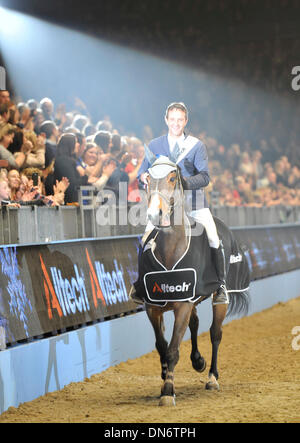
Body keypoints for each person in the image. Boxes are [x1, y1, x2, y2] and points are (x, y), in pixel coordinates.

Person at [132, 102, 229, 304]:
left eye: (180, 119)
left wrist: (185, 183)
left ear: (185, 121)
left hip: (194, 202)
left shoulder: (196, 145)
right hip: (163, 205)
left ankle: (220, 285)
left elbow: (204, 177)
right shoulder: (155, 145)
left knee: (213, 237)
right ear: (166, 120)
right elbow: (142, 172)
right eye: (172, 119)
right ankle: (140, 285)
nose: (176, 123)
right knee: (144, 240)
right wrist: (144, 179)